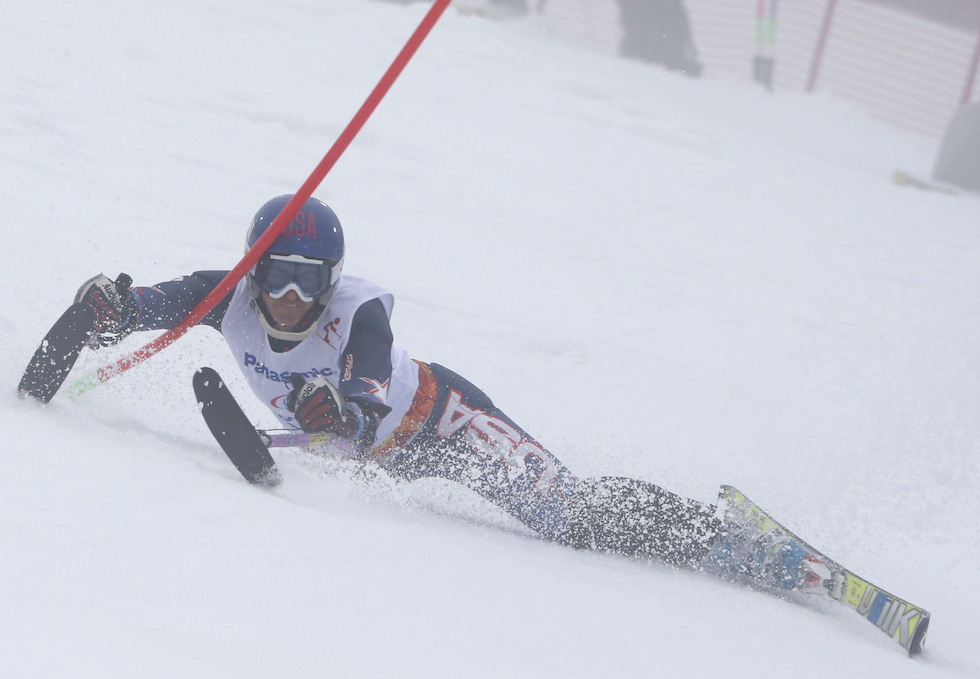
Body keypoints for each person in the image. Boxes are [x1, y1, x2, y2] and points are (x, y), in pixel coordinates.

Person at [73, 194, 836, 595]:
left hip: (444, 421)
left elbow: (368, 379)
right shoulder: (229, 296)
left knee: (569, 516)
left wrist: (344, 407)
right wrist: (113, 306)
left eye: (312, 278)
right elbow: (156, 304)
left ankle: (741, 547)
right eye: (278, 273)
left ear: (333, 281)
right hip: (372, 463)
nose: (291, 296)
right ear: (254, 267)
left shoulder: (359, 310)